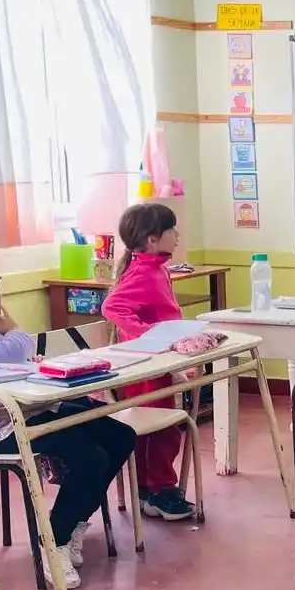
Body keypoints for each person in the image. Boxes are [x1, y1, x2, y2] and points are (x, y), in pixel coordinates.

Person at [0, 262, 136, 590]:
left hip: (27, 409)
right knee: (90, 455)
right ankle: (53, 541)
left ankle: (76, 519)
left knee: (119, 435)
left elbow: (14, 359)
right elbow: (11, 351)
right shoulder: (1, 331)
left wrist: (27, 359)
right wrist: (14, 329)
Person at [100, 202, 196, 521]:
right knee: (162, 429)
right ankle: (160, 489)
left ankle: (148, 491)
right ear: (152, 240)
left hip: (156, 363)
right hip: (145, 368)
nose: (177, 235)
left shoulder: (157, 268)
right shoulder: (143, 272)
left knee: (152, 429)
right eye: (172, 230)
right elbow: (112, 307)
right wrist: (147, 335)